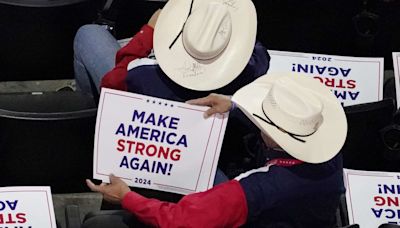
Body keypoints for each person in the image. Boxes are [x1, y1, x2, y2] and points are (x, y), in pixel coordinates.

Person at [87, 72, 348, 227]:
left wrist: (127, 197)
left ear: (274, 135)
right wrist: (233, 105)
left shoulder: (256, 188)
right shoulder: (328, 153)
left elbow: (180, 222)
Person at [73, 0, 270, 101]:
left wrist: (147, 34)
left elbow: (112, 85)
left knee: (88, 34)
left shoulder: (143, 75)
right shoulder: (256, 63)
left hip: (148, 97)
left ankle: (90, 111)